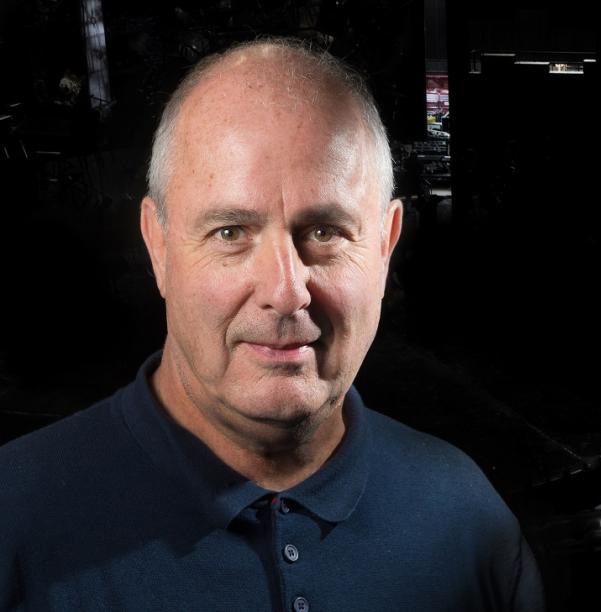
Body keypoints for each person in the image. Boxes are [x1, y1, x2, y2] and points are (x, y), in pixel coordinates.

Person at [0, 39, 544, 611]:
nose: (285, 293)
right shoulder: (14, 523)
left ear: (386, 246)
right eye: (230, 233)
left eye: (325, 232)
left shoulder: (469, 524)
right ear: (158, 247)